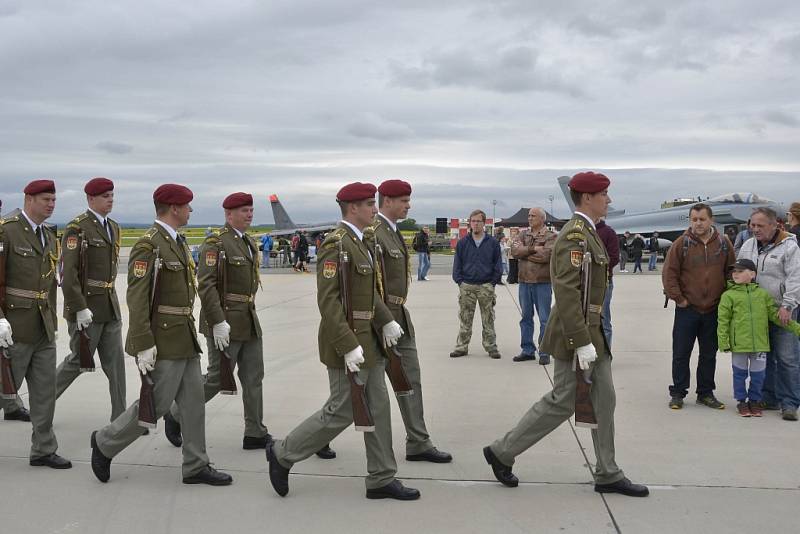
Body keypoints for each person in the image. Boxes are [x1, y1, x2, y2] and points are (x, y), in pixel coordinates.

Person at [483, 171, 649, 498]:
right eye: (604, 195)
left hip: (591, 333)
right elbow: (568, 292)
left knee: (604, 401)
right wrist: (583, 341)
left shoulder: (589, 233)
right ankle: (502, 451)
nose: (609, 200)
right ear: (588, 198)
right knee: (563, 401)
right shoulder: (575, 236)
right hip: (577, 334)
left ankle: (607, 472)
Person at [266, 182, 419, 500]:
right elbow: (329, 302)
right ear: (353, 208)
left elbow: (370, 292)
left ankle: (381, 477)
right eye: (369, 205)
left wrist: (386, 320)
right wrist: (347, 344)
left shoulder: (360, 242)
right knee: (342, 410)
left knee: (377, 408)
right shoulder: (336, 245)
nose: (375, 210)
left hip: (371, 341)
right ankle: (283, 453)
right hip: (348, 341)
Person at [89, 184, 232, 486]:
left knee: (193, 404)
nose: (191, 211)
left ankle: (196, 465)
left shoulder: (176, 242)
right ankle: (105, 442)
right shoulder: (149, 245)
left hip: (185, 335)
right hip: (163, 339)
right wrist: (143, 343)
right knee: (155, 405)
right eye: (187, 206)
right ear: (174, 208)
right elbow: (137, 298)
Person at [163, 192, 271, 450]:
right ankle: (175, 414)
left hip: (248, 319)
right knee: (217, 378)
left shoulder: (247, 242)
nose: (249, 214)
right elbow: (207, 284)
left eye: (251, 210)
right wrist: (218, 321)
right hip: (225, 321)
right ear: (228, 214)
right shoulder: (217, 243)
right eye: (244, 210)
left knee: (254, 377)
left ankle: (255, 431)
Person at [372, 179, 452, 463]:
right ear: (387, 201)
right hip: (377, 321)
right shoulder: (375, 234)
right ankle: (318, 437)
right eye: (403, 200)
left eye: (408, 200)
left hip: (400, 317)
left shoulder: (393, 233)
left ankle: (418, 441)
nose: (408, 205)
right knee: (354, 393)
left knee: (410, 380)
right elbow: (367, 286)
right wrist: (384, 321)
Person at [0, 179, 71, 469]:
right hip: (14, 325)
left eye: (53, 200)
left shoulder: (48, 234)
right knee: (5, 388)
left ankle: (43, 449)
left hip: (43, 324)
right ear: (28, 199)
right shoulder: (7, 229)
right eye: (45, 199)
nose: (51, 205)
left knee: (44, 391)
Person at [56, 177, 126, 423]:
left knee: (116, 365)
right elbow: (67, 273)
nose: (110, 200)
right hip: (86, 307)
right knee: (77, 361)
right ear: (90, 199)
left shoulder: (113, 227)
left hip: (109, 306)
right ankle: (42, 402)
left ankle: (120, 417)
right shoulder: (78, 228)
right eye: (105, 196)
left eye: (112, 196)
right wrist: (79, 308)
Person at [662, 203, 735, 410]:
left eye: (702, 219)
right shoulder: (681, 243)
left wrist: (726, 299)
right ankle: (678, 392)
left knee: (708, 354)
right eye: (694, 219)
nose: (698, 223)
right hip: (687, 309)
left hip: (713, 310)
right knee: (681, 352)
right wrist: (680, 299)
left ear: (710, 220)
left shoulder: (723, 243)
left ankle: (705, 393)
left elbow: (731, 271)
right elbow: (669, 274)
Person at [738, 207, 800, 421]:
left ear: (775, 225)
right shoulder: (748, 246)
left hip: (782, 310)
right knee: (764, 357)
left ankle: (790, 403)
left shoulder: (790, 247)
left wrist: (788, 305)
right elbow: (739, 274)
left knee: (787, 358)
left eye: (760, 225)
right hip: (757, 312)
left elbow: (795, 278)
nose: (755, 229)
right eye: (752, 225)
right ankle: (769, 397)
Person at [718, 258, 800, 417]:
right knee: (739, 374)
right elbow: (723, 320)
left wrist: (796, 328)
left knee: (758, 376)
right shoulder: (728, 296)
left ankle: (755, 401)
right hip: (739, 344)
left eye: (740, 271)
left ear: (753, 274)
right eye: (734, 271)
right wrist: (724, 341)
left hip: (760, 345)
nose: (736, 274)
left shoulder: (763, 295)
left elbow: (776, 316)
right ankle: (741, 401)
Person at [450, 209, 503, 359]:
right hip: (467, 285)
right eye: (473, 221)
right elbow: (457, 265)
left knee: (488, 318)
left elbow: (498, 265)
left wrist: (492, 283)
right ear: (470, 223)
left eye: (479, 221)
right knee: (465, 318)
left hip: (486, 285)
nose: (476, 224)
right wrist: (459, 281)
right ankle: (461, 347)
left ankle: (491, 347)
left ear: (484, 223)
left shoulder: (492, 243)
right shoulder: (463, 243)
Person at [511, 207, 556, 364]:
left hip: (542, 283)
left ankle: (544, 351)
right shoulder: (523, 234)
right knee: (525, 318)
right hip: (524, 282)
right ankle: (527, 350)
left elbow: (547, 256)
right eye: (529, 216)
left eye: (533, 216)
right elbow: (515, 251)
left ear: (542, 219)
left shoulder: (551, 236)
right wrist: (533, 249)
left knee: (545, 318)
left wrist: (526, 254)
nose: (529, 218)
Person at [596, 219, 620, 347]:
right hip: (584, 282)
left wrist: (595, 267)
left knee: (604, 318)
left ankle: (605, 355)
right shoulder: (581, 230)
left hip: (604, 281)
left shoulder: (609, 233)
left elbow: (614, 257)